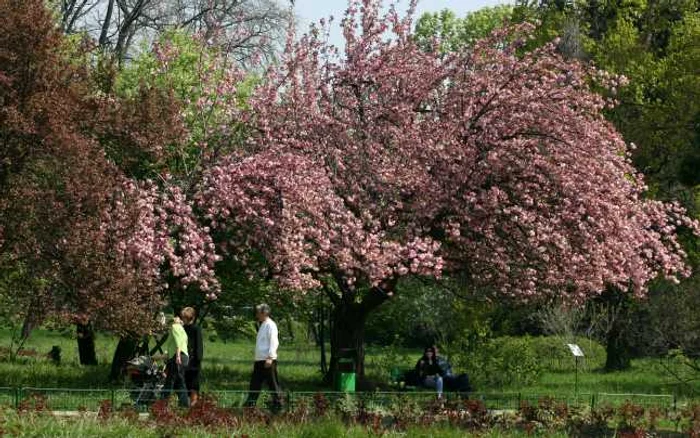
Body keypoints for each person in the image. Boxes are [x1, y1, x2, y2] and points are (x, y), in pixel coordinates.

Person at [245, 303, 283, 410]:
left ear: (264, 313)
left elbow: (274, 342)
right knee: (255, 383)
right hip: (259, 360)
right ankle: (250, 404)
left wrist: (270, 357)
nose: (256, 315)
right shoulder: (263, 324)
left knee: (273, 383)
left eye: (258, 312)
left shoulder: (271, 325)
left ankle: (278, 404)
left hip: (267, 360)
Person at [161, 315, 190, 407]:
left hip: (178, 357)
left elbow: (178, 342)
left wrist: (177, 356)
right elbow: (181, 342)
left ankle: (162, 405)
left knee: (170, 381)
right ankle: (184, 405)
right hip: (183, 357)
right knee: (179, 382)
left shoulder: (175, 327)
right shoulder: (182, 329)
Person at [181, 307, 203, 406]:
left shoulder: (196, 328)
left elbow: (199, 345)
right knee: (185, 383)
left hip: (194, 361)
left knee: (194, 384)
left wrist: (198, 359)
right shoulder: (182, 328)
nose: (183, 319)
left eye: (185, 317)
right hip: (184, 359)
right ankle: (185, 404)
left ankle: (194, 404)